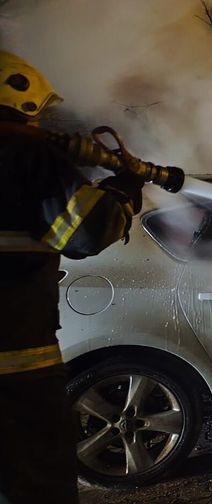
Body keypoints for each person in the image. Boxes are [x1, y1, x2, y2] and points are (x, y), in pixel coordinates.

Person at [0, 50, 145, 504]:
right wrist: (122, 193)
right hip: (15, 374)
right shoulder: (24, 153)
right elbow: (85, 232)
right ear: (20, 100)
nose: (41, 124)